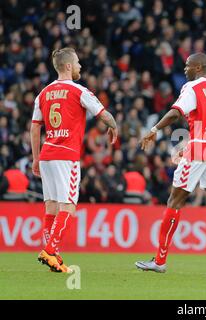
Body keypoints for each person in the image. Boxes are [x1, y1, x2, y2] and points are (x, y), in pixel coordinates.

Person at [135, 53, 206, 275]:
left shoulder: (192, 87)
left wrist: (153, 130)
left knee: (175, 200)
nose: (184, 69)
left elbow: (176, 114)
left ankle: (159, 261)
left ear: (198, 67)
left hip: (199, 147)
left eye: (188, 66)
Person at [31, 47, 118, 272]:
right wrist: (114, 126)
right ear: (68, 66)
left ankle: (53, 255)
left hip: (47, 154)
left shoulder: (43, 93)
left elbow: (34, 128)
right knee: (68, 206)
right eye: (78, 62)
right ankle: (50, 251)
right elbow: (103, 114)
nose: (80, 66)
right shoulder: (79, 91)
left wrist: (35, 158)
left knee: (51, 205)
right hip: (66, 156)